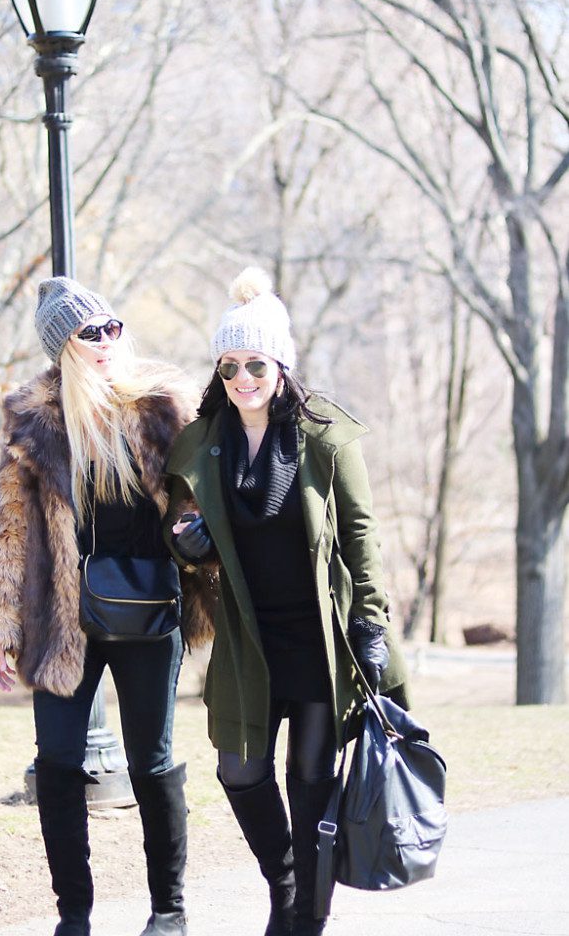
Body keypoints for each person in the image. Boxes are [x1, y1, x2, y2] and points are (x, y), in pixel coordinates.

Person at [164, 267, 409, 936]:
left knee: (310, 781)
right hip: (249, 638)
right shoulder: (202, 442)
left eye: (254, 362)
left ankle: (304, 917)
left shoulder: (321, 434)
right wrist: (187, 543)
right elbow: (189, 540)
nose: (242, 376)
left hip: (320, 635)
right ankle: (286, 882)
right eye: (229, 364)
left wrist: (370, 623)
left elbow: (360, 533)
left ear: (279, 363)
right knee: (238, 769)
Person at [0, 276, 212, 936]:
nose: (108, 340)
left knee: (152, 763)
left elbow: (203, 500)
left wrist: (202, 543)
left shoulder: (164, 408)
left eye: (112, 326)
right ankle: (73, 917)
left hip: (150, 611)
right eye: (90, 332)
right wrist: (0, 625)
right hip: (62, 621)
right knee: (56, 764)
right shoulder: (34, 421)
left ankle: (168, 911)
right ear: (64, 347)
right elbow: (12, 526)